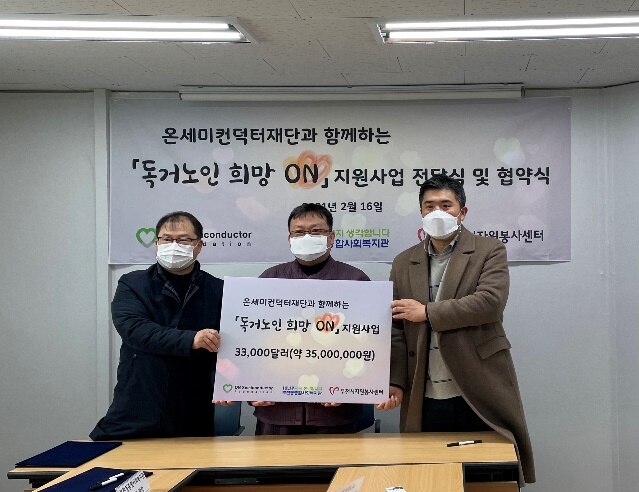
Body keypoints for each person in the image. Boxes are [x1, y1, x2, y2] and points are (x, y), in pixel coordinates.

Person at [388, 174, 535, 485]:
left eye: (446, 205)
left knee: (488, 476)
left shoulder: (488, 250)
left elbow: (490, 303)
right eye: (430, 206)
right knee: (428, 475)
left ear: (462, 212)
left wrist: (427, 312)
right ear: (420, 212)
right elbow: (397, 329)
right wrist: (395, 381)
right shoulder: (403, 262)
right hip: (424, 390)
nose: (437, 212)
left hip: (477, 383)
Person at [90, 211, 223, 440]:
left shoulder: (218, 289)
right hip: (138, 402)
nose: (174, 245)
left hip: (192, 407)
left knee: (193, 462)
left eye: (184, 240)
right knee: (116, 460)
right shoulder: (132, 284)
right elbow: (135, 330)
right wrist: (191, 339)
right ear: (156, 244)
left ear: (199, 246)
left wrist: (231, 384)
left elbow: (230, 346)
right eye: (166, 239)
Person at [252, 203, 373, 435]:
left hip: (336, 414)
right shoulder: (269, 280)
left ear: (331, 237)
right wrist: (250, 389)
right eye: (299, 232)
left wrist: (350, 388)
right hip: (277, 412)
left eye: (316, 231)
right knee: (274, 461)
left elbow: (369, 345)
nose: (307, 237)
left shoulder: (356, 281)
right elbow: (251, 343)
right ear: (289, 238)